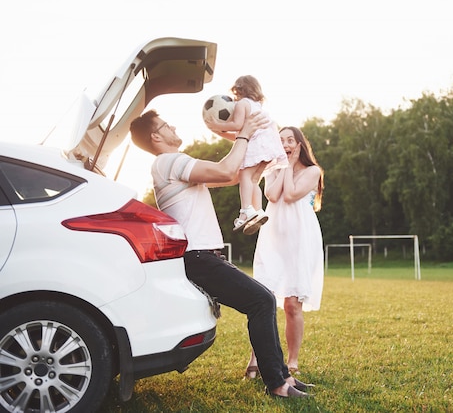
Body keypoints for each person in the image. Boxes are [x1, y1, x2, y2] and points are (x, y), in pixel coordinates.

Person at [129, 109, 312, 398]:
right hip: (198, 257)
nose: (173, 125)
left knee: (262, 300)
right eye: (166, 124)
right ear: (155, 136)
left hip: (205, 256)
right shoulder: (169, 161)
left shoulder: (174, 164)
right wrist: (244, 132)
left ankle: (284, 377)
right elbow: (227, 171)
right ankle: (277, 384)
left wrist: (259, 148)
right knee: (262, 300)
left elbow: (232, 176)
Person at [244, 126, 324, 379]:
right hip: (274, 238)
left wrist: (288, 167)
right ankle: (256, 358)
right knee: (262, 299)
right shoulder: (274, 169)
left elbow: (290, 195)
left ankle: (292, 360)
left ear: (300, 144)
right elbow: (272, 195)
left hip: (300, 239)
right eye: (281, 140)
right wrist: (281, 167)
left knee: (292, 304)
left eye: (290, 140)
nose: (286, 144)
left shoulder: (312, 171)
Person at [205, 75, 287, 235]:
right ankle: (258, 210)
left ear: (240, 90)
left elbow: (237, 125)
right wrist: (221, 133)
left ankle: (245, 211)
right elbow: (241, 135)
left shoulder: (243, 103)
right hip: (269, 147)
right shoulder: (257, 106)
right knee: (254, 180)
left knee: (244, 177)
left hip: (257, 146)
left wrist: (218, 125)